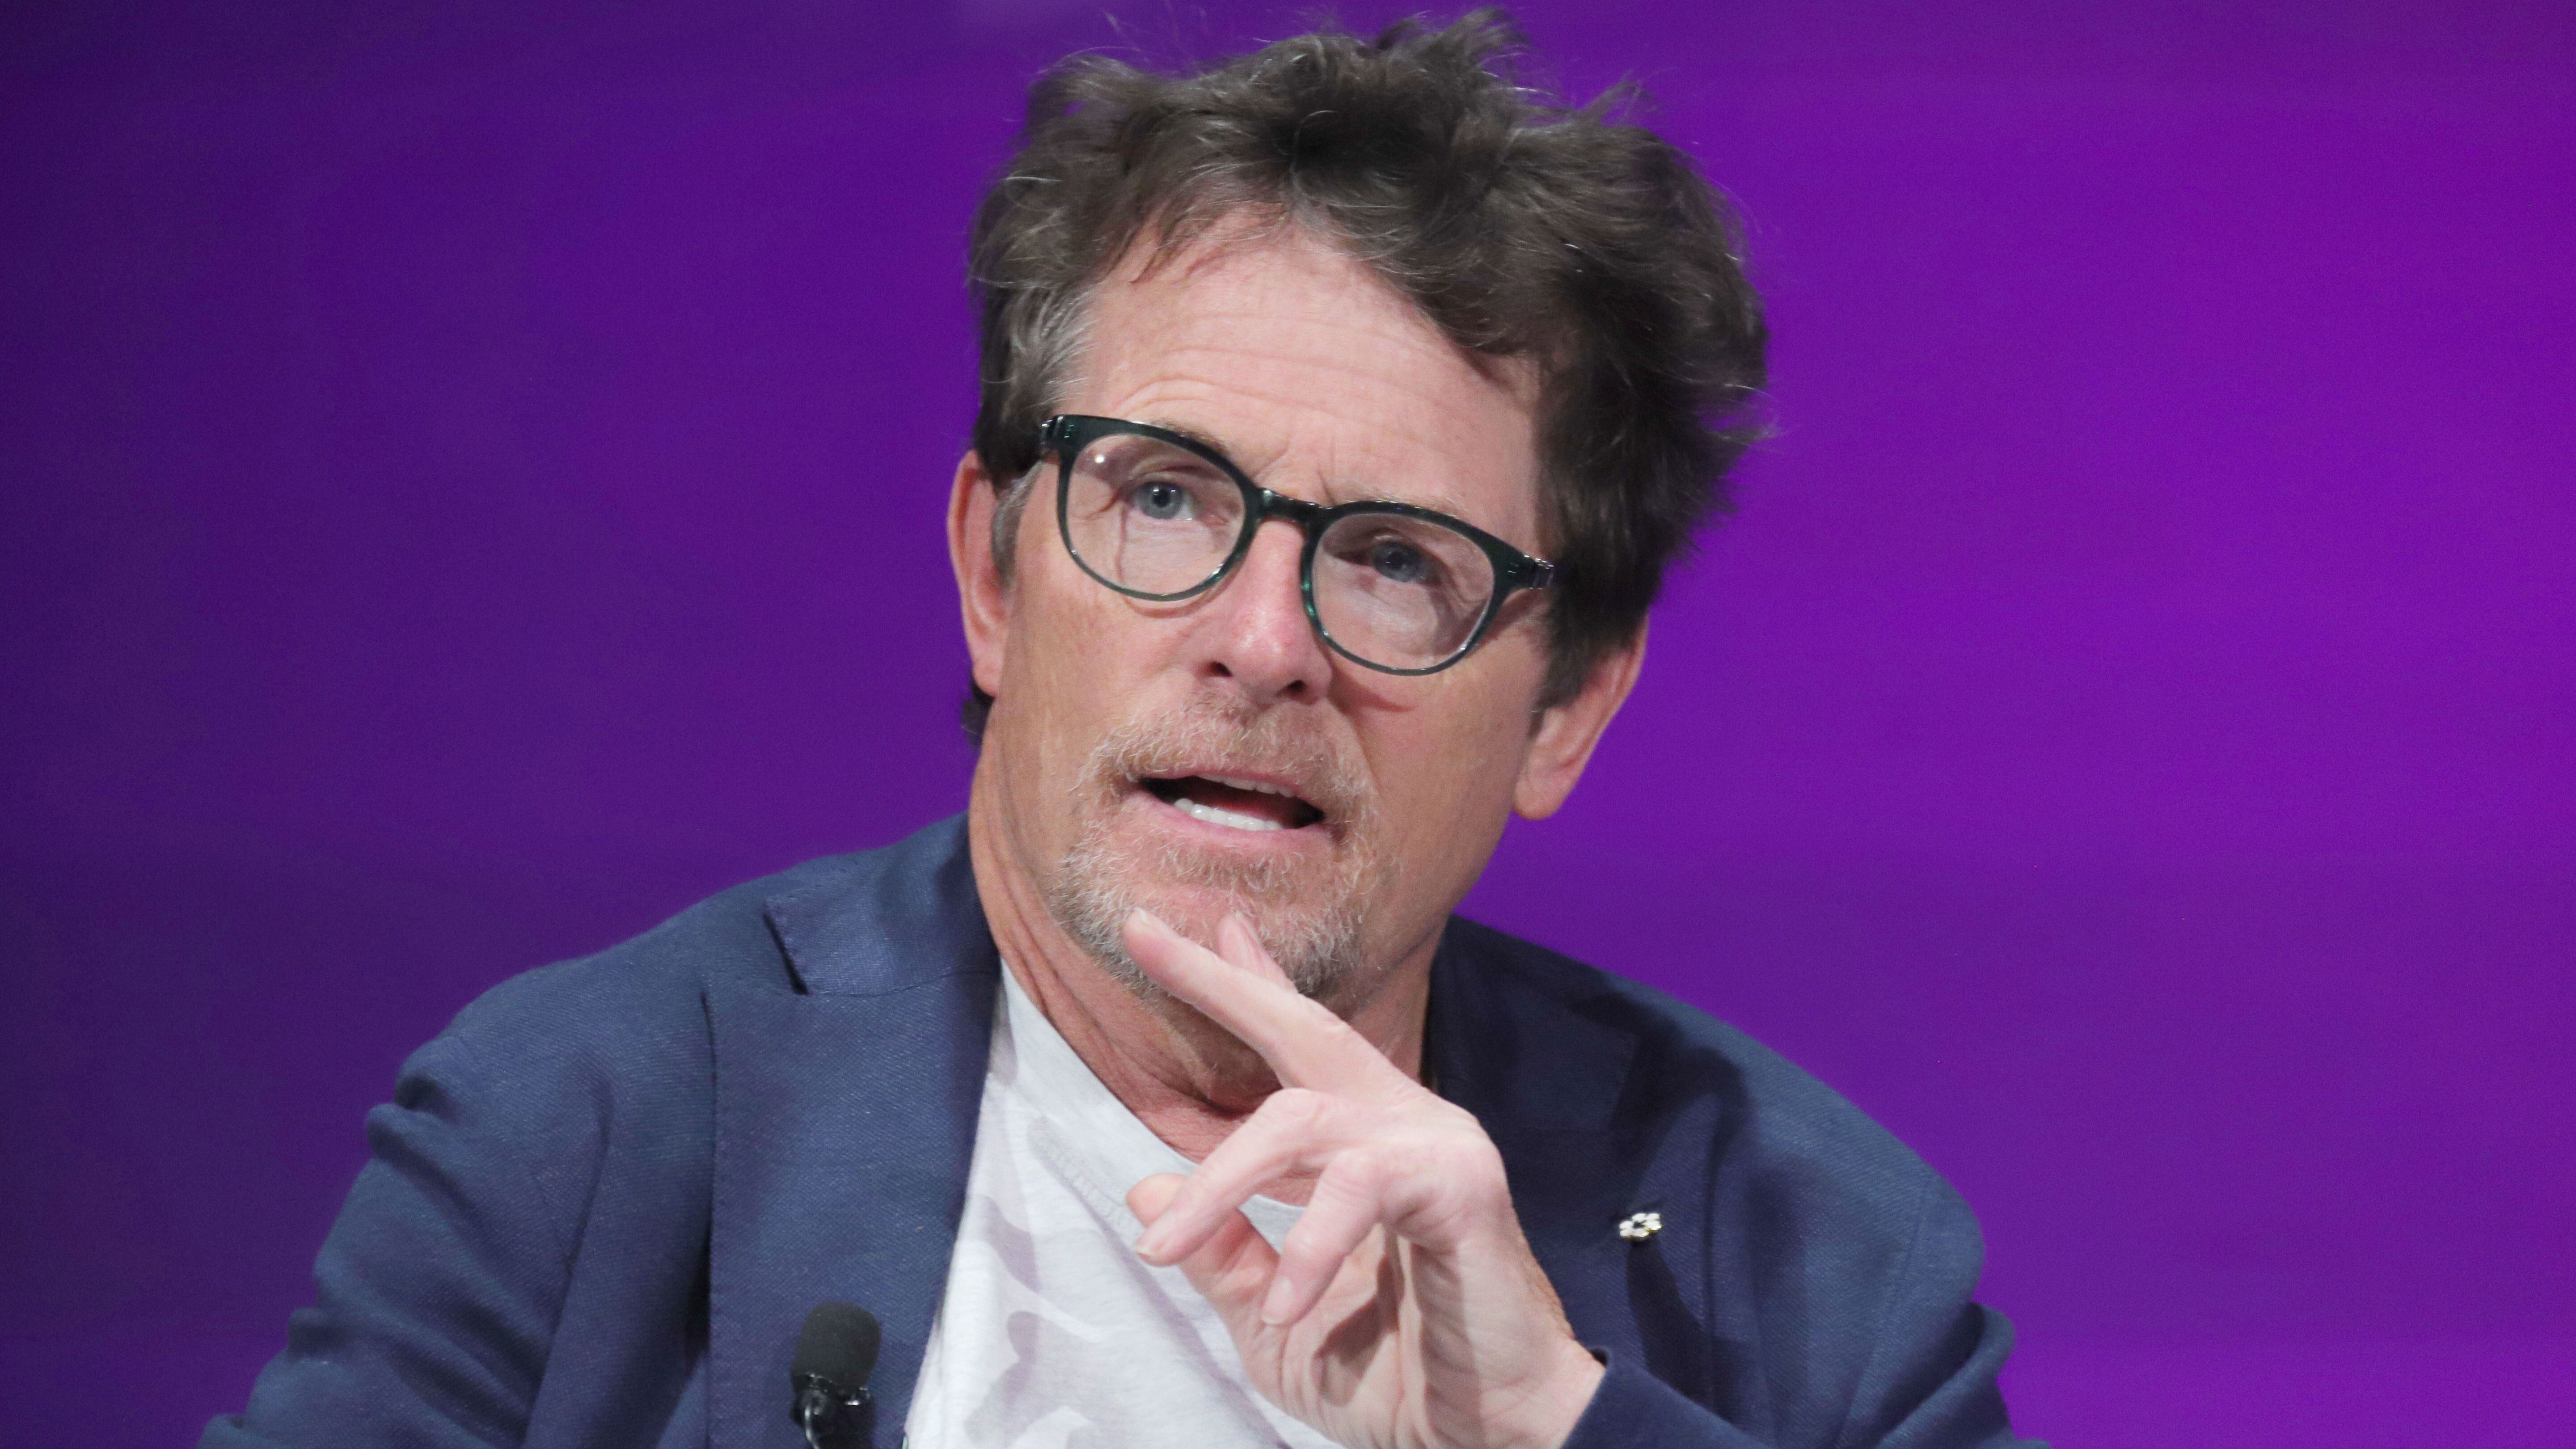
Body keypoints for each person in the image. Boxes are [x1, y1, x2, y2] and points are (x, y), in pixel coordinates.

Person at [205, 14, 2030, 1449]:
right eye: (1162, 499)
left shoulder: (1809, 1263)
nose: (1262, 643)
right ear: (991, 576)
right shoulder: (589, 1131)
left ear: (1566, 708)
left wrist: (1548, 1424)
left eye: (1398, 560)